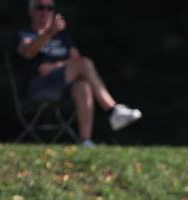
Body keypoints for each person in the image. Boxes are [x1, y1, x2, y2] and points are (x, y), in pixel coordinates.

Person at [15, 0, 141, 148]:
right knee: (85, 63)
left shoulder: (62, 38)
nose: (45, 11)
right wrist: (49, 33)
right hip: (38, 87)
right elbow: (28, 52)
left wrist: (56, 65)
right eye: (40, 7)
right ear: (31, 11)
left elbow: (76, 60)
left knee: (83, 86)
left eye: (49, 8)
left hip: (63, 88)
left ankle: (86, 141)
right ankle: (112, 110)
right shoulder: (25, 34)